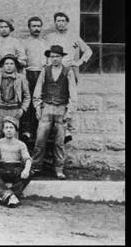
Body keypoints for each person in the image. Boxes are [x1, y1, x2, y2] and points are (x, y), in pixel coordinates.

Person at [31, 45, 78, 179]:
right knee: (40, 140)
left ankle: (59, 169)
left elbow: (73, 93)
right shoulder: (45, 71)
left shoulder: (68, 71)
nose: (54, 59)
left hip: (61, 109)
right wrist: (38, 107)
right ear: (49, 58)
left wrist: (69, 112)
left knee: (59, 142)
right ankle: (36, 167)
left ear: (62, 57)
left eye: (57, 56)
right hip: (46, 108)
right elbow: (38, 90)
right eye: (52, 56)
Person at [46, 12, 92, 142]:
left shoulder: (73, 37)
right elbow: (46, 55)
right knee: (54, 98)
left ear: (67, 22)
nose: (60, 23)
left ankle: (67, 129)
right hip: (54, 71)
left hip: (68, 71)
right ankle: (54, 129)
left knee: (68, 99)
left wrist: (78, 63)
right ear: (55, 23)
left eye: (63, 20)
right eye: (58, 21)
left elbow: (88, 51)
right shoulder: (49, 37)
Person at [0, 116, 32, 208]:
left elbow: (27, 159)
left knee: (30, 173)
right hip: (3, 169)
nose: (9, 130)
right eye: (6, 128)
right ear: (3, 130)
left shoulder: (21, 144)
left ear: (15, 130)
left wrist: (26, 170)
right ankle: (11, 196)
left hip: (15, 169)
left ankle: (6, 195)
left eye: (11, 128)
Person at [0, 55, 31, 139]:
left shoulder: (21, 78)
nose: (9, 66)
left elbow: (27, 96)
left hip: (14, 111)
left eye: (11, 64)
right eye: (6, 64)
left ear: (15, 66)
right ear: (3, 66)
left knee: (13, 134)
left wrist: (23, 109)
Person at [21, 16, 49, 143]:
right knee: (28, 101)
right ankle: (27, 130)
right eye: (34, 26)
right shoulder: (24, 43)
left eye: (38, 26)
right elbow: (22, 61)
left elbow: (48, 60)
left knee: (40, 102)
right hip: (28, 74)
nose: (36, 28)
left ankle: (40, 130)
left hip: (42, 74)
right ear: (29, 28)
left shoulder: (45, 43)